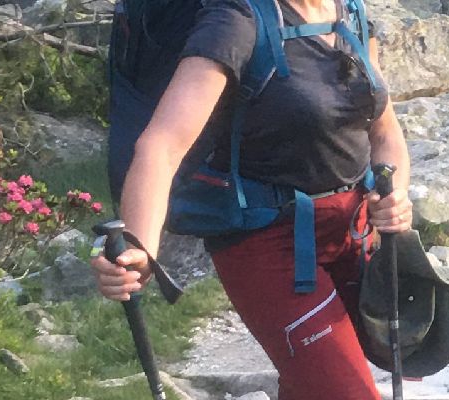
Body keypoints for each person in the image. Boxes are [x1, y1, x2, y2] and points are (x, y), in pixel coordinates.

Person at [87, 0, 412, 397]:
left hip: (352, 232)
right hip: (268, 242)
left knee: (313, 383)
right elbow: (162, 145)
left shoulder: (351, 13)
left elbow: (384, 133)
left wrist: (395, 191)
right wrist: (140, 246)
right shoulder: (237, 20)